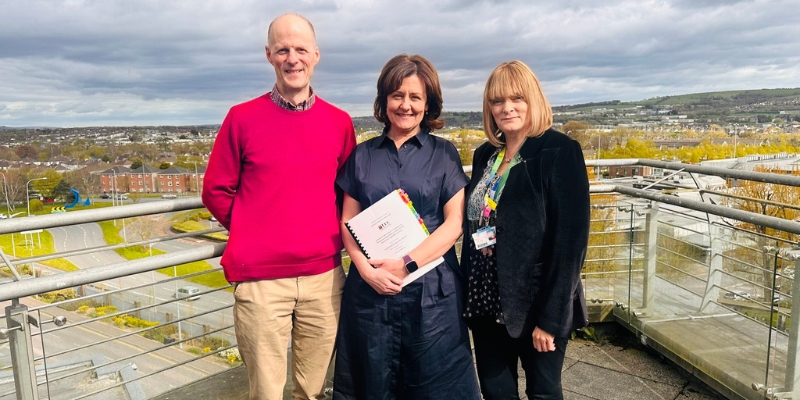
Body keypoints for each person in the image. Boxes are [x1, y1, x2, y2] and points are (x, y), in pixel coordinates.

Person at [202, 13, 356, 400]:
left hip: (324, 279)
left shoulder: (338, 123)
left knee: (313, 390)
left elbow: (348, 194)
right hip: (260, 283)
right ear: (268, 55)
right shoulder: (241, 119)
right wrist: (255, 230)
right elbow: (216, 189)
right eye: (283, 49)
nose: (293, 58)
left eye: (301, 49)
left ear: (316, 55)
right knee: (266, 393)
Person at [333, 54, 481, 399]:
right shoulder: (362, 155)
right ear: (384, 100)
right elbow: (347, 221)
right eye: (397, 95)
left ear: (428, 104)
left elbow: (454, 223)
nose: (406, 105)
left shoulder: (444, 154)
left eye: (415, 97)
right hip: (371, 290)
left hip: (430, 292)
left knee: (433, 381)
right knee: (371, 379)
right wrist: (364, 269)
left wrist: (406, 263)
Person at [461, 60, 590, 400]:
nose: (507, 108)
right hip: (484, 300)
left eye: (516, 98)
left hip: (535, 303)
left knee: (543, 393)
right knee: (495, 392)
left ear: (533, 99)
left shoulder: (559, 151)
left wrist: (551, 319)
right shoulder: (485, 155)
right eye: (497, 101)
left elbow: (570, 244)